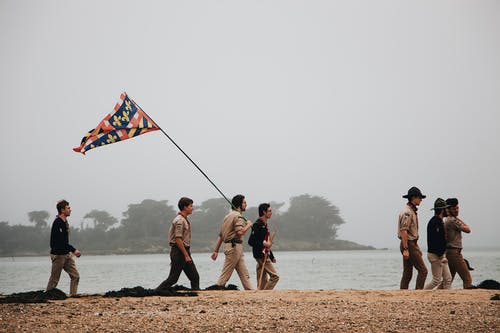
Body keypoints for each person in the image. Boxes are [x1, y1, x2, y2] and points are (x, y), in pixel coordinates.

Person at [156, 197, 200, 291]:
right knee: (173, 279)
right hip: (179, 251)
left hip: (184, 251)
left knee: (194, 277)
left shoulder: (184, 219)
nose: (193, 208)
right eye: (191, 206)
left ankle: (196, 294)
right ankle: (156, 291)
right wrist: (186, 255)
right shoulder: (179, 220)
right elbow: (178, 239)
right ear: (185, 207)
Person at [211, 194, 253, 290]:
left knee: (244, 273)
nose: (246, 204)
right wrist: (248, 225)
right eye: (244, 202)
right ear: (239, 205)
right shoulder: (238, 216)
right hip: (234, 247)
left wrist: (216, 251)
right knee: (225, 274)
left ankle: (251, 291)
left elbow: (220, 235)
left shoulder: (227, 216)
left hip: (234, 247)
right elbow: (240, 232)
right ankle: (217, 289)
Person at [46, 200, 81, 296]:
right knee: (54, 279)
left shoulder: (65, 222)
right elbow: (61, 242)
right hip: (58, 255)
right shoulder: (57, 223)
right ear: (62, 210)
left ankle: (73, 295)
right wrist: (74, 250)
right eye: (68, 208)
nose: (70, 210)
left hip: (66, 254)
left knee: (75, 276)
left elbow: (65, 242)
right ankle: (48, 296)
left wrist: (70, 251)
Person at [397, 187, 428, 289]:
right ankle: (418, 292)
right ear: (413, 198)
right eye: (419, 197)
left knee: (407, 272)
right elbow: (404, 230)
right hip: (409, 243)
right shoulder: (408, 212)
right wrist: (406, 249)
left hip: (410, 243)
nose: (421, 200)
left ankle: (403, 292)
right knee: (423, 270)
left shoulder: (410, 211)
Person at [444, 198, 473, 289]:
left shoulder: (449, 220)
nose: (456, 210)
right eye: (454, 208)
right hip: (454, 253)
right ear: (448, 209)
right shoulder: (452, 220)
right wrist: (457, 218)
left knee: (448, 279)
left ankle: (436, 293)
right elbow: (468, 229)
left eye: (457, 208)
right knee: (467, 278)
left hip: (451, 252)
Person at [250, 203, 279, 290]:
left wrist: (272, 256)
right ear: (264, 212)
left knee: (262, 280)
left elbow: (267, 244)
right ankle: (265, 293)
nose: (271, 212)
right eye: (269, 211)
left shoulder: (264, 225)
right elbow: (251, 241)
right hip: (260, 255)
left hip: (264, 254)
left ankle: (261, 294)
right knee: (275, 277)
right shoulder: (257, 225)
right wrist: (264, 243)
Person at [424, 198, 452, 290]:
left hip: (439, 254)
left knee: (447, 279)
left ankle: (448, 297)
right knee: (436, 280)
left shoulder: (439, 221)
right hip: (436, 255)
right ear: (442, 210)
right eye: (446, 209)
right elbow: (435, 242)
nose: (448, 210)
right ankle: (421, 293)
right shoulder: (435, 222)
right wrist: (441, 256)